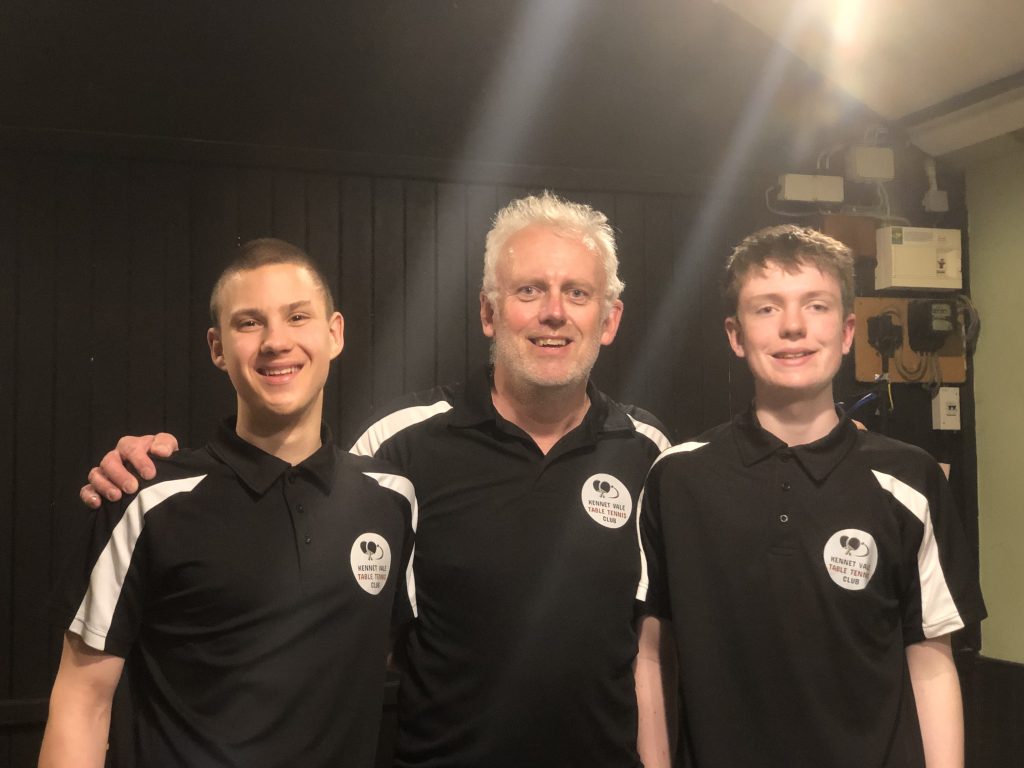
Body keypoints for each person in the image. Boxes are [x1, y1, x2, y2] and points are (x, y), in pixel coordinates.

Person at [77, 194, 671, 768]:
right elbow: (292, 558)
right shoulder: (398, 448)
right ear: (489, 312)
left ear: (609, 318)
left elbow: (647, 652)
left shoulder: (650, 455)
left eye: (577, 292)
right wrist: (147, 468)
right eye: (529, 290)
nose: (554, 312)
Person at [41, 239, 413, 767]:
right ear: (217, 347)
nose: (276, 341)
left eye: (297, 316)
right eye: (249, 323)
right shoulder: (146, 499)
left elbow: (397, 656)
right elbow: (82, 703)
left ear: (334, 334)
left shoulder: (391, 500)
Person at [634, 224, 986, 768]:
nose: (793, 326)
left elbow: (931, 661)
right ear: (735, 335)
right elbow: (652, 653)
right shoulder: (676, 478)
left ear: (847, 332)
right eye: (767, 308)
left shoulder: (910, 480)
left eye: (816, 305)